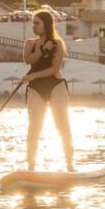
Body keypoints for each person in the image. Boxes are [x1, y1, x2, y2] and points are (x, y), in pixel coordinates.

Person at [21, 10, 75, 173]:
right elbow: (28, 60)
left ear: (47, 25)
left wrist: (34, 75)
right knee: (34, 127)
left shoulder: (57, 44)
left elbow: (54, 68)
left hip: (55, 85)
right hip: (35, 88)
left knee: (63, 125)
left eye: (37, 23)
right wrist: (41, 50)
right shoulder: (29, 43)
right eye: (33, 23)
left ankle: (69, 165)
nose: (34, 26)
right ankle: (31, 167)